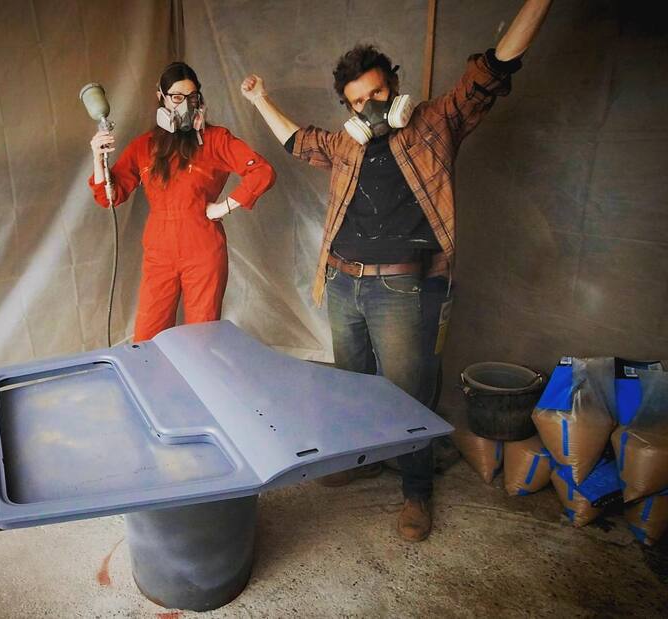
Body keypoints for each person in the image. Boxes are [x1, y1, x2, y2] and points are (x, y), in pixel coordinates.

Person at [240, 0, 552, 541]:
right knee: (354, 387)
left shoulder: (434, 124)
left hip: (404, 287)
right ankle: (360, 460)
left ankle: (416, 491)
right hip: (341, 281)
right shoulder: (344, 147)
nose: (370, 108)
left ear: (395, 87)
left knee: (408, 395)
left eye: (377, 94)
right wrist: (259, 98)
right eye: (357, 101)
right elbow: (297, 142)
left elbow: (493, 72)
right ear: (347, 107)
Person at [88, 62, 276, 342]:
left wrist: (224, 206)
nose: (185, 105)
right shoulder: (144, 146)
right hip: (159, 250)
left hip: (203, 249)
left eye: (192, 97)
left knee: (202, 337)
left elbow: (262, 171)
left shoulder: (214, 140)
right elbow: (109, 197)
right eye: (177, 97)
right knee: (148, 335)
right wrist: (97, 157)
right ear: (161, 97)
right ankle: (153, 385)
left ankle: (198, 384)